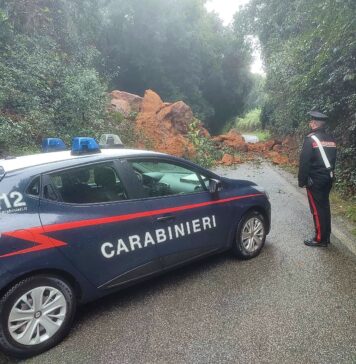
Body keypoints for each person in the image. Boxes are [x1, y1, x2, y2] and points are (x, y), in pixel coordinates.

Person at [298, 111, 337, 247]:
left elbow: (305, 162)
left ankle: (320, 239)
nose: (310, 123)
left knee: (316, 209)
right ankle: (326, 236)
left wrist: (302, 181)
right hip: (328, 177)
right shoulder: (331, 139)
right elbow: (333, 160)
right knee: (325, 207)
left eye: (311, 121)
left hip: (315, 181)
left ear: (314, 123)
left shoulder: (311, 139)